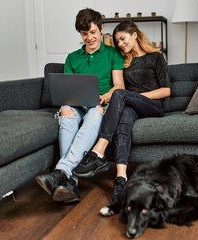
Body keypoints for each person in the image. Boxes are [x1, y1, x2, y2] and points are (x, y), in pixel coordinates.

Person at [73, 20, 171, 204]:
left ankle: (98, 151)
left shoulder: (156, 57)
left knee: (120, 94)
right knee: (123, 122)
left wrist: (136, 97)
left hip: (153, 106)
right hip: (130, 106)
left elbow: (166, 91)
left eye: (123, 39)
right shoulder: (124, 60)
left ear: (134, 34)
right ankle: (121, 179)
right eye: (117, 41)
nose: (120, 44)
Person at [35, 8, 124, 203]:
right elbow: (66, 90)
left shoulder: (112, 54)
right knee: (66, 111)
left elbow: (119, 86)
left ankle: (63, 175)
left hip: (100, 105)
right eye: (85, 34)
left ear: (101, 29)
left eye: (93, 32)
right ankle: (70, 183)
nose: (90, 38)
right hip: (77, 104)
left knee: (95, 113)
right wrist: (66, 103)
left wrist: (105, 96)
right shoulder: (72, 58)